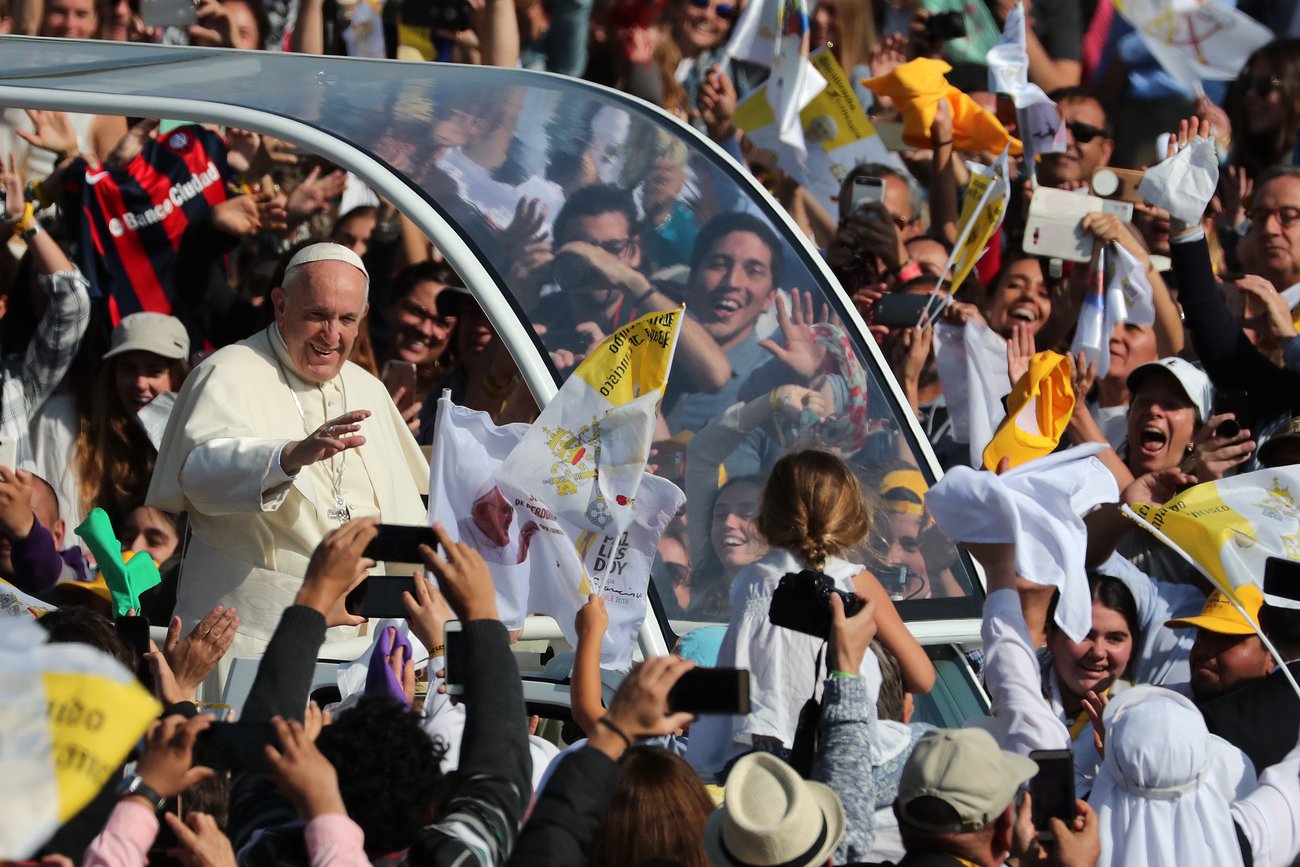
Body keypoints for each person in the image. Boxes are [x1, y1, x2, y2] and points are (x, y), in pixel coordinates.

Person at [147, 243, 428, 677]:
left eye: (347, 320)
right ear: (280, 304)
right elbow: (199, 475)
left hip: (357, 650)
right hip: (245, 643)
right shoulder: (228, 371)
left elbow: (407, 518)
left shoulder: (368, 388)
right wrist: (287, 457)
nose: (331, 335)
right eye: (317, 315)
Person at [686, 450, 934, 780]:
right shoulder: (852, 580)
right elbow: (923, 676)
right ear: (854, 517)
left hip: (756, 760)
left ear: (768, 515)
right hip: (837, 749)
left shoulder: (751, 581)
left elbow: (753, 672)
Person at [33, 311, 191, 536]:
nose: (139, 383)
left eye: (154, 371)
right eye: (128, 369)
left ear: (178, 377)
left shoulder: (195, 435)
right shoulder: (70, 421)